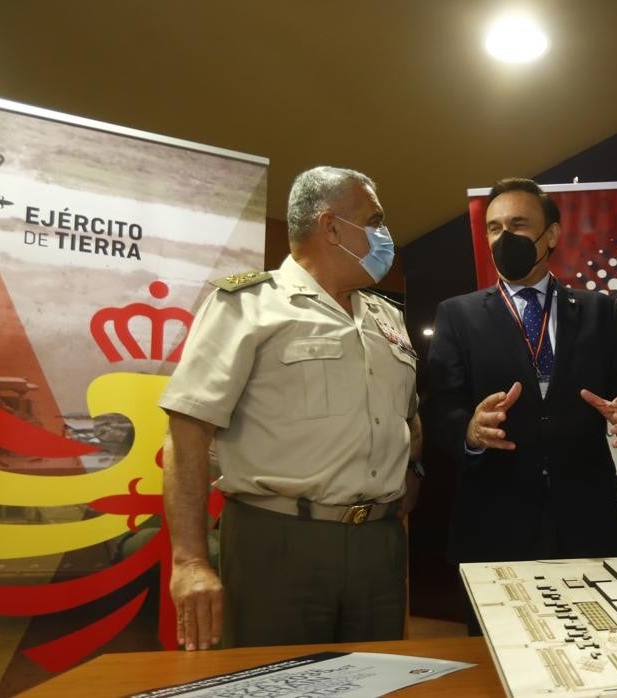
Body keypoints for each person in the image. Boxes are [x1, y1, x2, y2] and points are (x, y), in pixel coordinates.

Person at [159, 166, 423, 650]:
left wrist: (412, 473)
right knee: (278, 683)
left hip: (379, 545)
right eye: (375, 220)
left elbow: (408, 417)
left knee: (378, 681)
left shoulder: (388, 317)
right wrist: (190, 561)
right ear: (332, 227)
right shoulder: (248, 305)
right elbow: (187, 429)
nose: (386, 235)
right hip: (278, 542)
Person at [423, 178, 617, 631]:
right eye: (493, 227)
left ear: (551, 234)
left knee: (599, 650)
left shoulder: (599, 312)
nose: (503, 237)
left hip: (587, 520)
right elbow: (439, 406)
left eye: (517, 224)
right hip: (494, 520)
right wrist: (469, 429)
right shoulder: (458, 314)